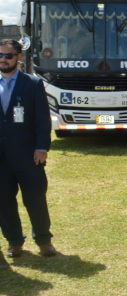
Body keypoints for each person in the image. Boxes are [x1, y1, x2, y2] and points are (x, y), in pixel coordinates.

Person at [0, 39, 55, 259]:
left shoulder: (32, 84)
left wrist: (42, 148)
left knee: (35, 200)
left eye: (8, 55)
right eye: (0, 55)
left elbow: (43, 119)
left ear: (18, 57)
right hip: (1, 158)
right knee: (3, 202)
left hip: (28, 155)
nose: (3, 59)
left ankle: (43, 240)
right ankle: (14, 241)